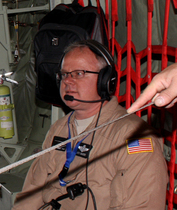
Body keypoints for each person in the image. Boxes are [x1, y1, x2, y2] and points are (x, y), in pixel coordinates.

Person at [13, 40, 167, 210]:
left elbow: (140, 206)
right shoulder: (59, 128)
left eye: (79, 73)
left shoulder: (134, 137)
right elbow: (31, 194)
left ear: (105, 80)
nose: (68, 81)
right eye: (64, 74)